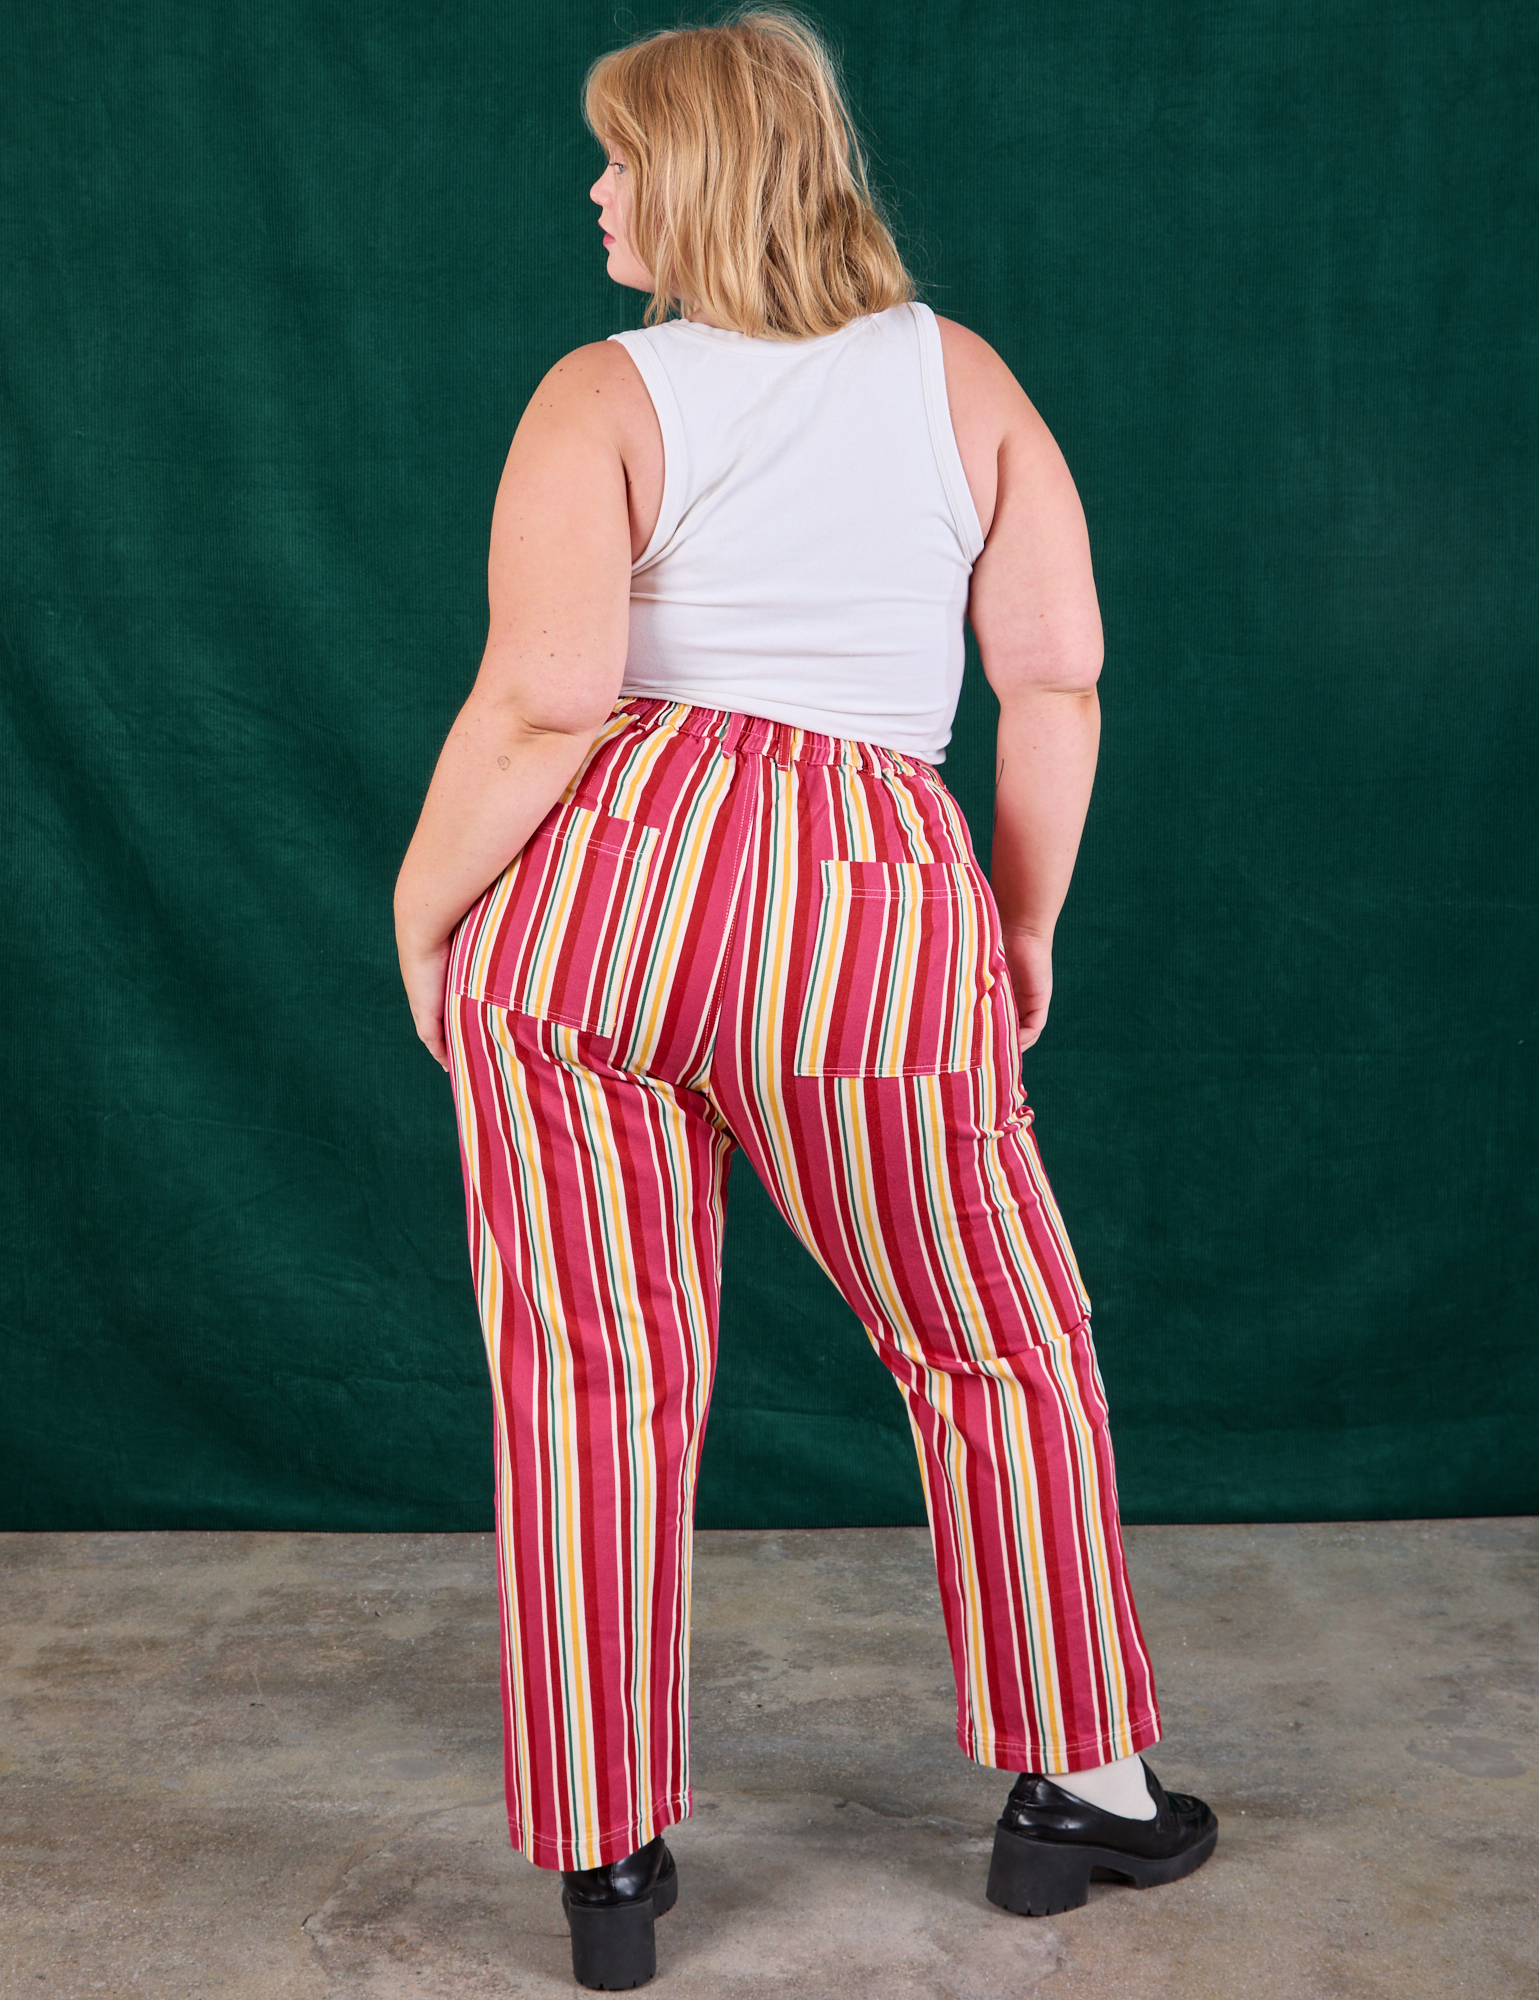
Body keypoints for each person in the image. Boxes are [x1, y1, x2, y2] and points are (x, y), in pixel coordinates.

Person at [394, 9, 1216, 1989]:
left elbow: (542, 701)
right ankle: (1083, 1787)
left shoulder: (596, 394)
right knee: (997, 1348)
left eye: (617, 157)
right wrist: (1013, 919)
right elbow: (1055, 680)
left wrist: (425, 915)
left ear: (697, 173)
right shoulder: (964, 380)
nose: (592, 190)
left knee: (588, 1377)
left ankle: (607, 1865)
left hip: (590, 894)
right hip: (868, 900)